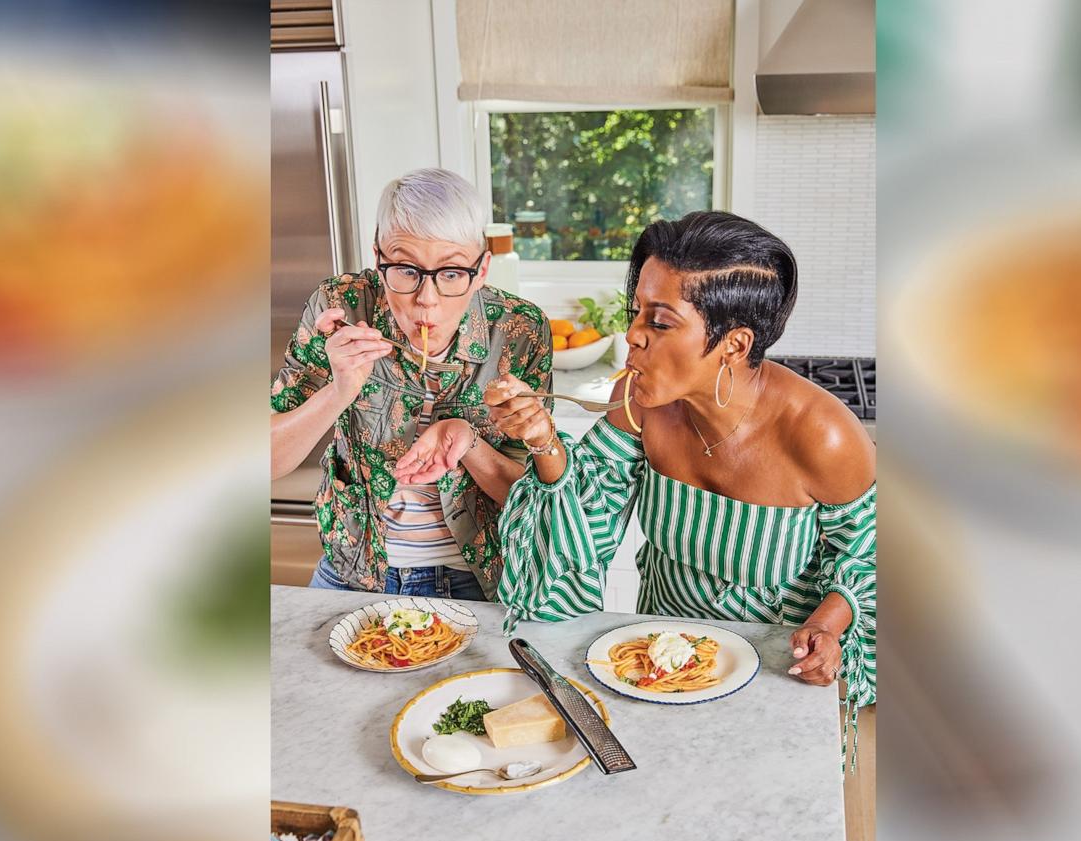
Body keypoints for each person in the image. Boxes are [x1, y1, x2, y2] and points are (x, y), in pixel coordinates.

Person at [486, 211, 877, 739]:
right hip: (652, 663)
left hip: (778, 670)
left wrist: (827, 628)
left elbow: (867, 558)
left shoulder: (823, 434)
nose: (632, 336)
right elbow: (585, 523)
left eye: (660, 322)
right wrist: (543, 439)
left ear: (733, 345)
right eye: (636, 312)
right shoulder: (643, 403)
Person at [271, 167, 553, 601]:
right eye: (405, 269)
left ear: (481, 271)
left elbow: (532, 498)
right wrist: (339, 390)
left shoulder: (518, 330)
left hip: (479, 579)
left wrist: (468, 442)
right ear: (378, 258)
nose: (428, 299)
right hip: (355, 570)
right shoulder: (340, 306)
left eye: (452, 273)